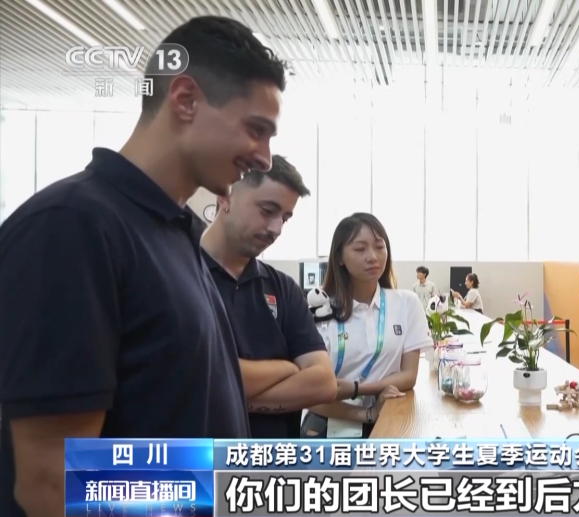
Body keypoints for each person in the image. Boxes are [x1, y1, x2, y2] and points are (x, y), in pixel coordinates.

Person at [0, 16, 286, 517]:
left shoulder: (175, 232)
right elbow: (51, 482)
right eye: (255, 130)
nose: (264, 157)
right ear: (185, 99)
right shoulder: (72, 227)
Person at [200, 155, 342, 438]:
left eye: (285, 218)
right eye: (267, 211)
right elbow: (193, 378)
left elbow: (324, 384)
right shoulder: (178, 277)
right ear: (224, 197)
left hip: (273, 461)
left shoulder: (283, 289)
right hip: (195, 460)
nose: (276, 229)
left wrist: (228, 399)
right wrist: (287, 368)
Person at [307, 213, 433, 438]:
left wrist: (357, 389)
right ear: (339, 257)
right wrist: (367, 413)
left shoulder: (406, 303)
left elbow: (409, 376)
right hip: (327, 424)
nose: (373, 257)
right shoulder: (320, 310)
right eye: (360, 249)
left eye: (379, 247)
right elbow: (309, 393)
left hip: (388, 415)